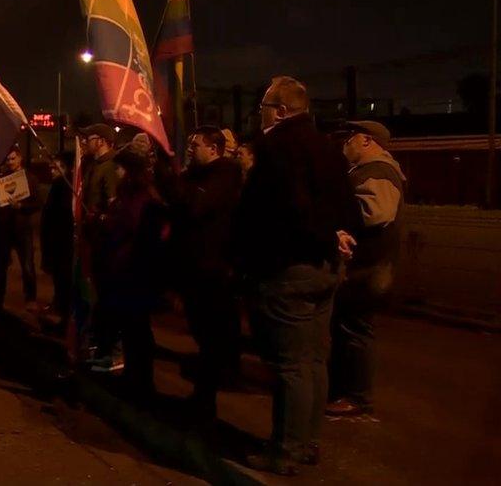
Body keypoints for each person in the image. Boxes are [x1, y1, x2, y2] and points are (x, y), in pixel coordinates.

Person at [234, 76, 360, 475]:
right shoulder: (327, 148)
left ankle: (286, 449)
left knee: (290, 364)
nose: (261, 117)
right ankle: (306, 442)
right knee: (312, 361)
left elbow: (287, 209)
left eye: (264, 109)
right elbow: (344, 204)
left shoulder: (277, 150)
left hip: (288, 268)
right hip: (325, 268)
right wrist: (337, 237)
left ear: (282, 111)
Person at [328, 120, 406, 418]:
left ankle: (356, 397)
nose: (343, 145)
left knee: (356, 332)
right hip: (366, 268)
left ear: (364, 140)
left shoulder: (378, 170)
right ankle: (344, 390)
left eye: (347, 139)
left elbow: (376, 212)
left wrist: (336, 215)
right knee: (348, 330)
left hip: (368, 270)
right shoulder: (369, 170)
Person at [173, 126, 243, 420]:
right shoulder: (195, 176)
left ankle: (208, 399)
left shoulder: (225, 174)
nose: (190, 149)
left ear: (214, 149)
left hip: (214, 267)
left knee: (214, 334)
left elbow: (195, 207)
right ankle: (203, 395)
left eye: (196, 145)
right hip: (195, 266)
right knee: (202, 331)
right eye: (189, 143)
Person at [93, 146, 169, 400]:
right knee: (130, 327)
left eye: (119, 167)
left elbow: (131, 225)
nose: (116, 171)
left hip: (133, 269)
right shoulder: (132, 194)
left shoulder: (140, 197)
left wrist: (106, 221)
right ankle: (133, 375)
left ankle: (142, 381)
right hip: (124, 268)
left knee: (137, 328)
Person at [77, 123, 122, 372]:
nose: (87, 143)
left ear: (102, 141)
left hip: (106, 243)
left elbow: (114, 207)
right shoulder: (95, 166)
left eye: (90, 138)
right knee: (97, 297)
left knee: (107, 298)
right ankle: (102, 347)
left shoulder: (110, 167)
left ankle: (114, 352)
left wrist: (98, 218)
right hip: (94, 240)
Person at [0, 146, 40, 311]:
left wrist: (21, 206)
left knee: (27, 265)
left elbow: (37, 203)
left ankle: (30, 298)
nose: (10, 162)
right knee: (0, 265)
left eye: (13, 159)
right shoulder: (2, 178)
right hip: (4, 228)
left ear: (20, 158)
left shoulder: (30, 179)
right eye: (8, 159)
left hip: (22, 228)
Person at [40, 152, 75, 330]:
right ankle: (59, 306)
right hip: (55, 240)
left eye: (58, 167)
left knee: (63, 278)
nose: (54, 170)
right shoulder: (57, 185)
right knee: (58, 277)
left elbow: (61, 215)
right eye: (52, 167)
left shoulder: (65, 186)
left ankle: (63, 312)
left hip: (61, 240)